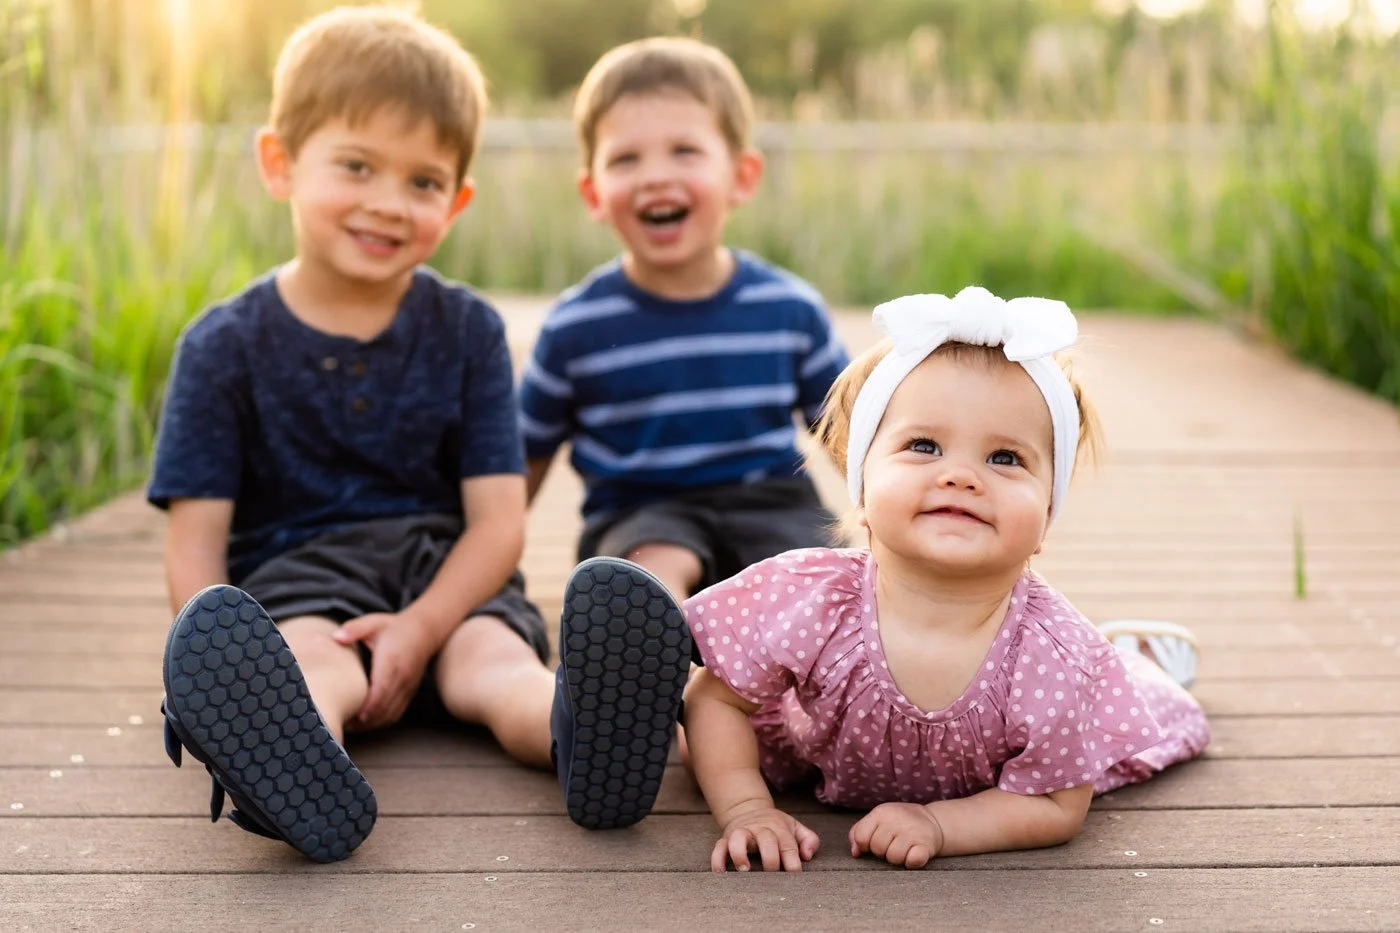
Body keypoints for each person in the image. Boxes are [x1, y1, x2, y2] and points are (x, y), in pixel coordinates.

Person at [149, 6, 692, 861]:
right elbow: (197, 548)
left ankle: (581, 735)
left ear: (458, 198)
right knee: (306, 665)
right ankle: (284, 760)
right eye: (356, 165)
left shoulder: (468, 329)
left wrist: (422, 625)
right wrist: (203, 646)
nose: (387, 203)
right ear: (279, 163)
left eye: (423, 182)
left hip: (449, 577)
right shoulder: (222, 347)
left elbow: (498, 523)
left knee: (496, 667)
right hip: (299, 584)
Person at [674, 287, 1210, 870]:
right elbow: (714, 698)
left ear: (1045, 518)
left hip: (1001, 773)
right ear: (860, 488)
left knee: (1140, 711)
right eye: (923, 446)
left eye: (1005, 458)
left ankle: (1141, 661)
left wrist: (939, 823)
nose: (961, 476)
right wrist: (747, 808)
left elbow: (1058, 804)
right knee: (689, 749)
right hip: (815, 756)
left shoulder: (1056, 661)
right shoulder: (812, 599)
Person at [518, 37, 850, 606]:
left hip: (770, 504)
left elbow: (853, 436)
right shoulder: (576, 330)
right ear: (593, 191)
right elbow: (522, 461)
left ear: (741, 177)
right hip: (640, 514)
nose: (654, 176)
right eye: (626, 159)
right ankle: (648, 641)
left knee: (813, 575)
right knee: (649, 565)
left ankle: (794, 681)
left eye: (684, 151)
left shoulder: (788, 311)